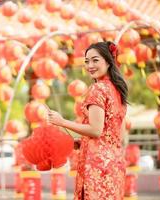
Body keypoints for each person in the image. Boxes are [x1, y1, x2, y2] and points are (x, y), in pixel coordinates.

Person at [47, 41, 128, 200]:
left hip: (96, 166)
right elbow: (118, 134)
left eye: (95, 60)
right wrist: (83, 141)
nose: (90, 65)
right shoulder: (117, 90)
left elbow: (96, 130)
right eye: (87, 61)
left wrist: (61, 122)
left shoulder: (98, 89)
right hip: (114, 164)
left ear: (108, 61)